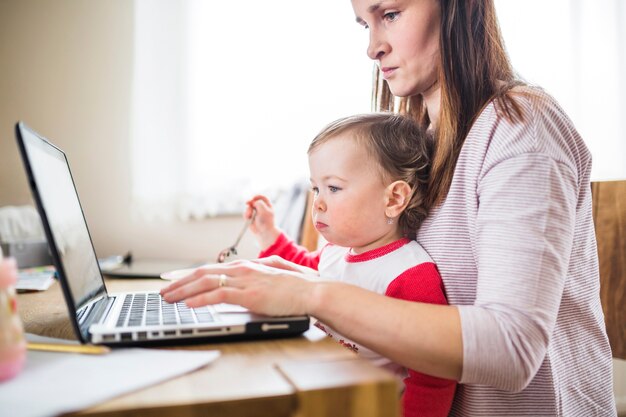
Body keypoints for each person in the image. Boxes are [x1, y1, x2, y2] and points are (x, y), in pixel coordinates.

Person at [161, 0, 617, 415]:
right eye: (364, 24)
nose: (372, 47)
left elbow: (511, 349)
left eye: (390, 15)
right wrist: (291, 279)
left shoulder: (520, 129)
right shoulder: (421, 137)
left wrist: (311, 295)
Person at [245, 113, 456, 417]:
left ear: (394, 199)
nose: (317, 202)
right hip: (322, 390)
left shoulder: (409, 275)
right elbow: (305, 269)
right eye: (315, 188)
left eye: (333, 188)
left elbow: (434, 376)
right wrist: (269, 235)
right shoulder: (335, 252)